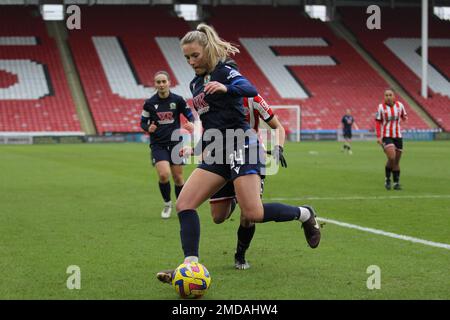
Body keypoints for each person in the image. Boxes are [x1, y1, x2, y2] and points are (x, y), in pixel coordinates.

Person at [156, 23, 320, 284]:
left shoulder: (226, 70)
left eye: (195, 55)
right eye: (186, 57)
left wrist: (226, 88)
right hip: (217, 150)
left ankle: (305, 214)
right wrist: (197, 148)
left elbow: (250, 89)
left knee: (252, 213)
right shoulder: (195, 84)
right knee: (185, 204)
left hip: (243, 144)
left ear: (207, 50)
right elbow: (212, 125)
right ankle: (190, 266)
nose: (190, 61)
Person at [209, 93, 287, 270]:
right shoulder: (212, 98)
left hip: (250, 155)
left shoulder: (253, 99)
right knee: (218, 217)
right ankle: (236, 197)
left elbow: (278, 127)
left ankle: (240, 255)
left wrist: (278, 147)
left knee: (248, 215)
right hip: (221, 157)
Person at [140, 71, 195, 218]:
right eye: (158, 82)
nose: (161, 84)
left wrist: (190, 123)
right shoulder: (150, 103)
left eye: (164, 81)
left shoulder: (178, 100)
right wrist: (148, 128)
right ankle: (167, 204)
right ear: (155, 84)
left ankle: (181, 205)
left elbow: (189, 114)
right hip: (158, 144)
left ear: (169, 82)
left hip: (176, 144)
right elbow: (143, 122)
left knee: (178, 178)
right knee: (164, 175)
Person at [375, 89, 408, 190]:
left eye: (390, 95)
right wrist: (379, 136)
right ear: (384, 97)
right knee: (392, 156)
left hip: (398, 136)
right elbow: (377, 122)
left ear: (394, 96)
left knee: (396, 161)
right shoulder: (381, 107)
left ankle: (396, 183)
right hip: (386, 136)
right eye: (386, 95)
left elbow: (404, 116)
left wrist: (405, 120)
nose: (388, 97)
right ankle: (387, 179)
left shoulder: (400, 105)